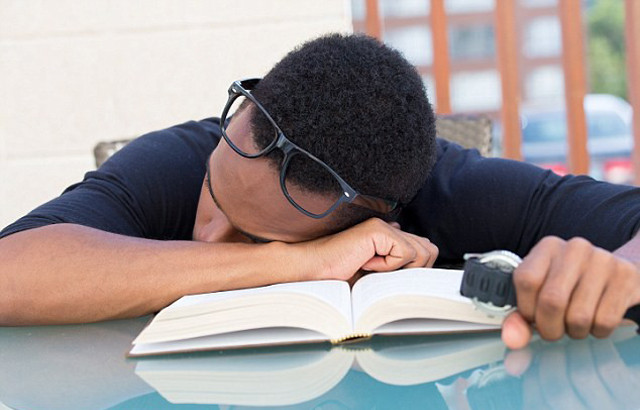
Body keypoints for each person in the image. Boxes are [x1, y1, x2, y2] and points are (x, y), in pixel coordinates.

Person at [0, 34, 639, 350]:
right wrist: (295, 260)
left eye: (254, 236)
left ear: (373, 219)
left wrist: (613, 274)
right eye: (214, 195)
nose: (209, 236)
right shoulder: (181, 156)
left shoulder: (449, 187)